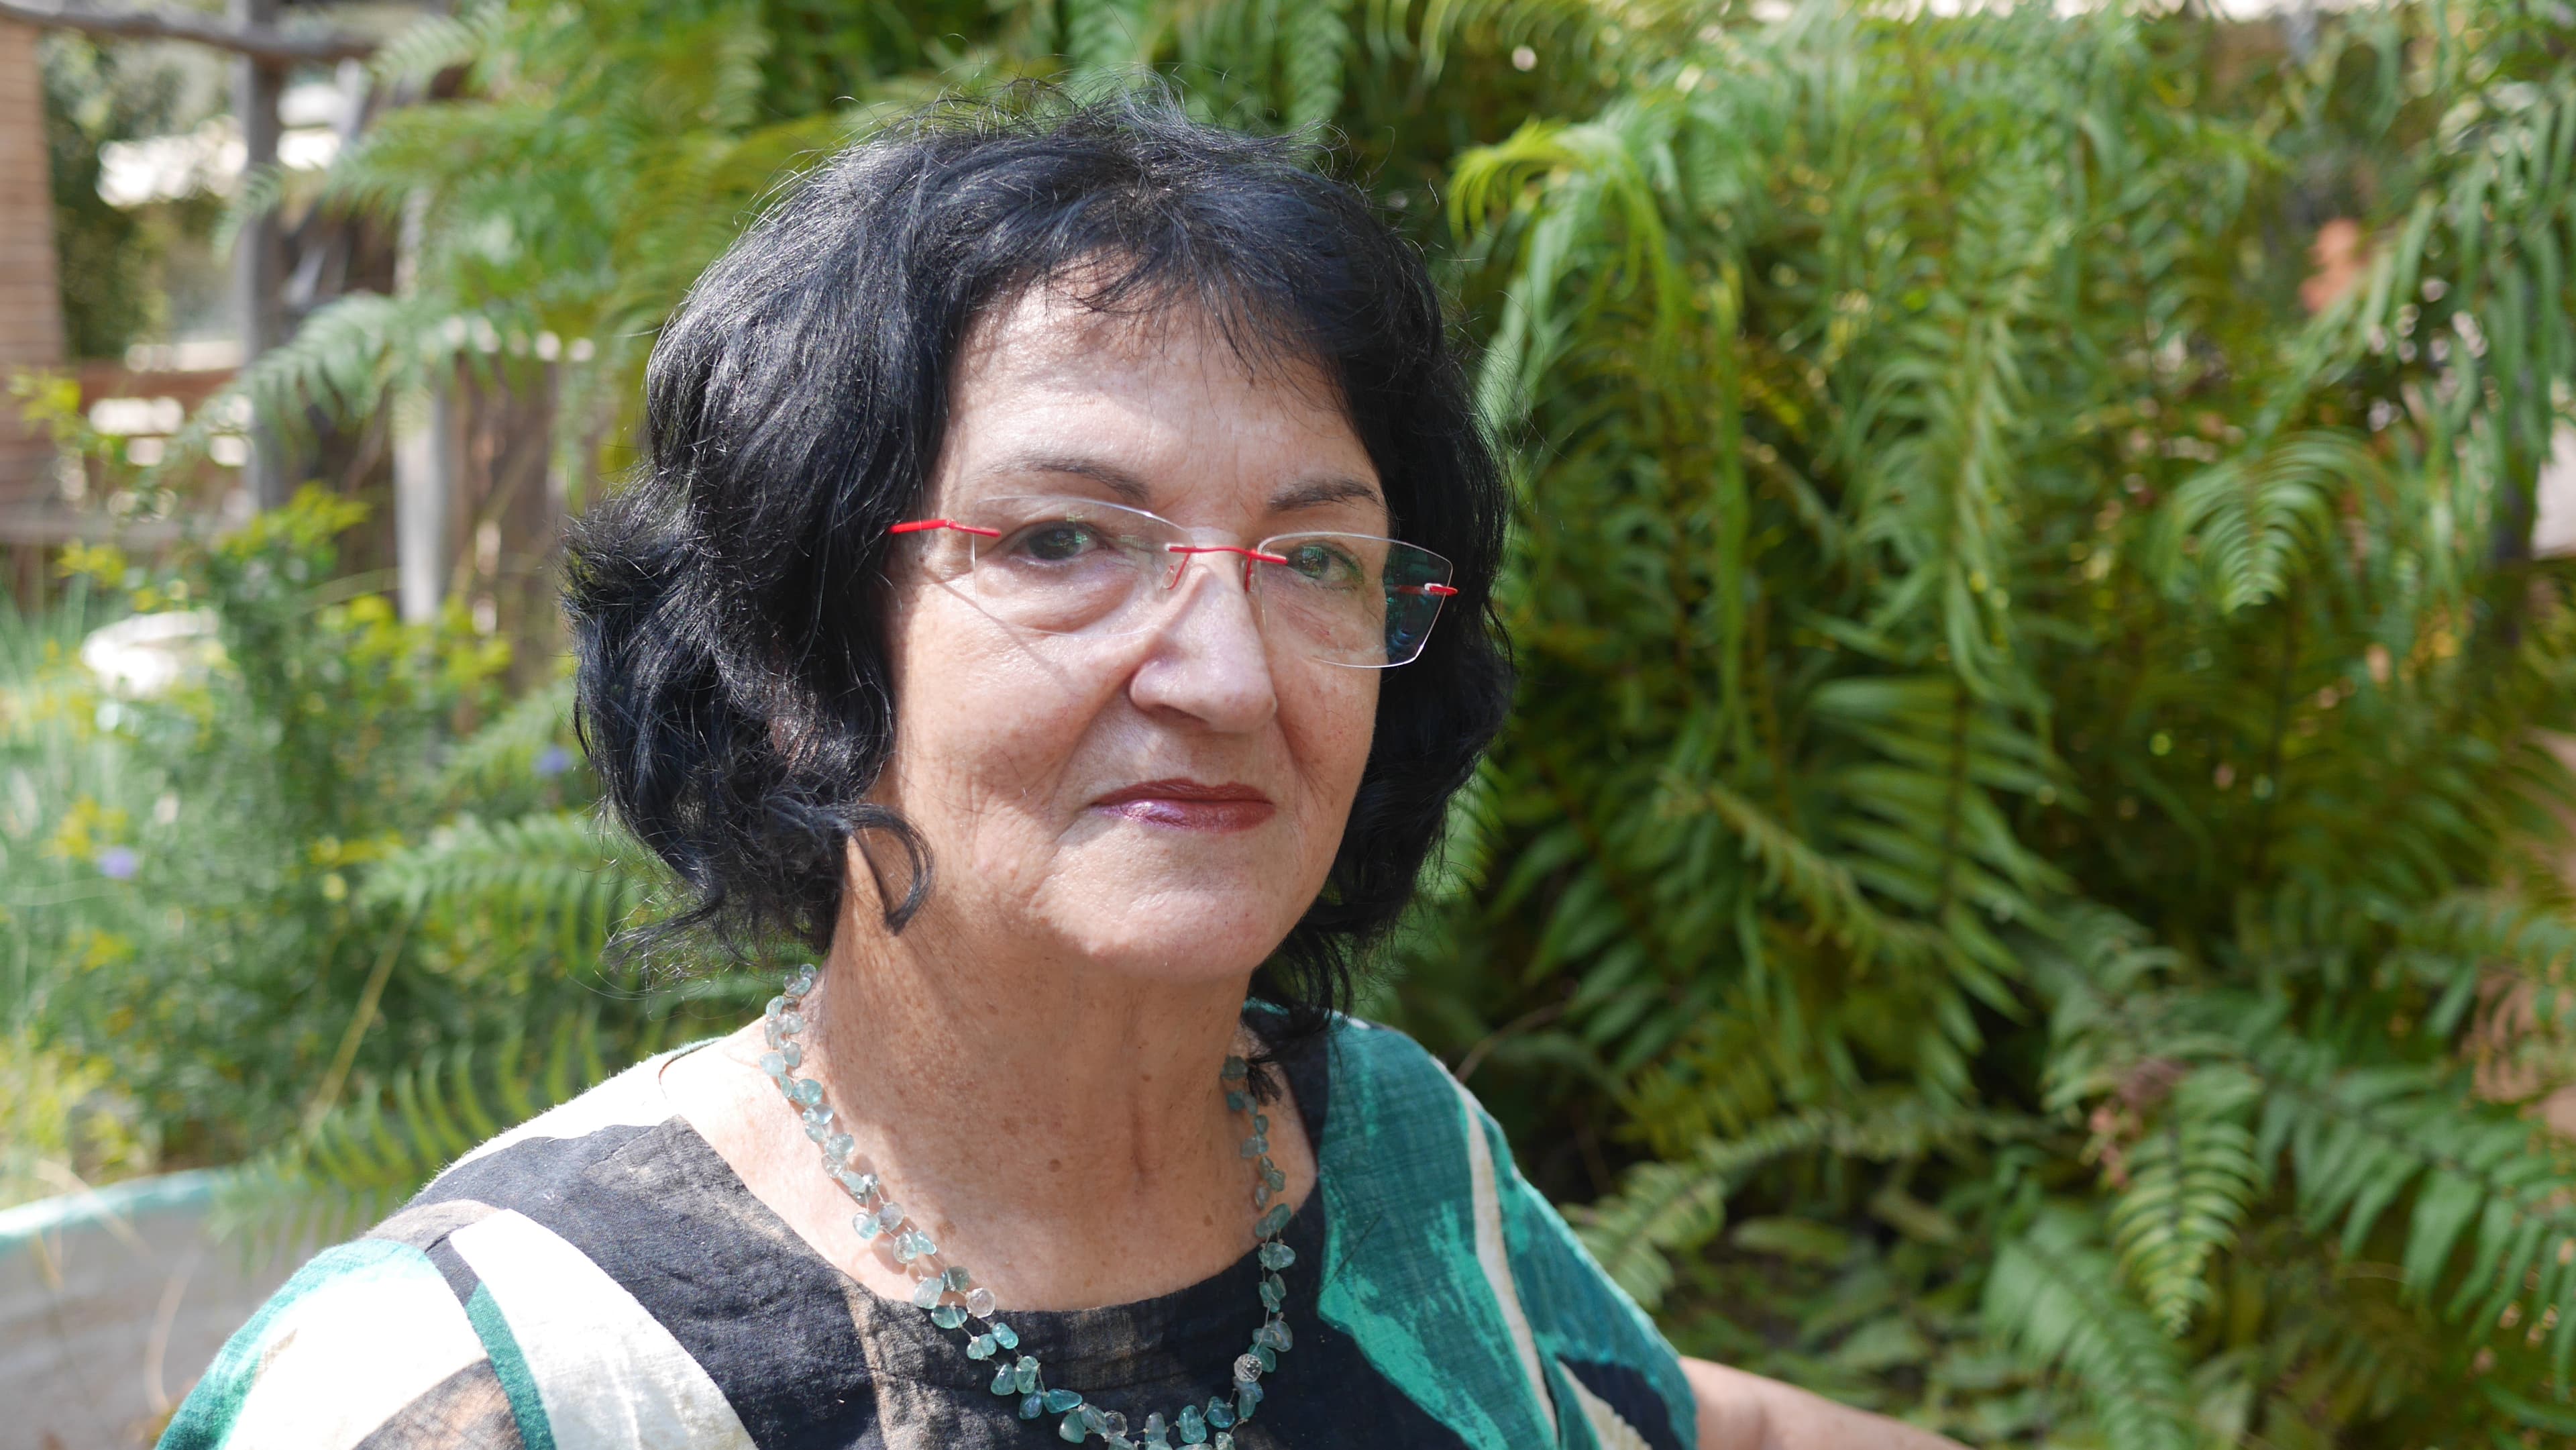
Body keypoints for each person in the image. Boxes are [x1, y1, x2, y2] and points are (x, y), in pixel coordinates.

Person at [161, 92, 1956, 1450]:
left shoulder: (1397, 1162)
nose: (1229, 673)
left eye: (1313, 556)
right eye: (1064, 541)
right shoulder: (507, 1374)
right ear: (794, 653)